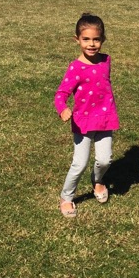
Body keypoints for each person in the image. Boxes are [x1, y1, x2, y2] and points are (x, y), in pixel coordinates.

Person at [55, 13, 120, 218]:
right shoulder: (76, 68)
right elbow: (61, 93)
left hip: (105, 118)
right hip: (82, 121)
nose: (91, 44)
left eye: (96, 39)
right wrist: (62, 108)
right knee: (79, 163)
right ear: (77, 40)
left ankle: (98, 181)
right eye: (86, 39)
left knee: (105, 160)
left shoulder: (106, 61)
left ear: (103, 39)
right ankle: (66, 197)